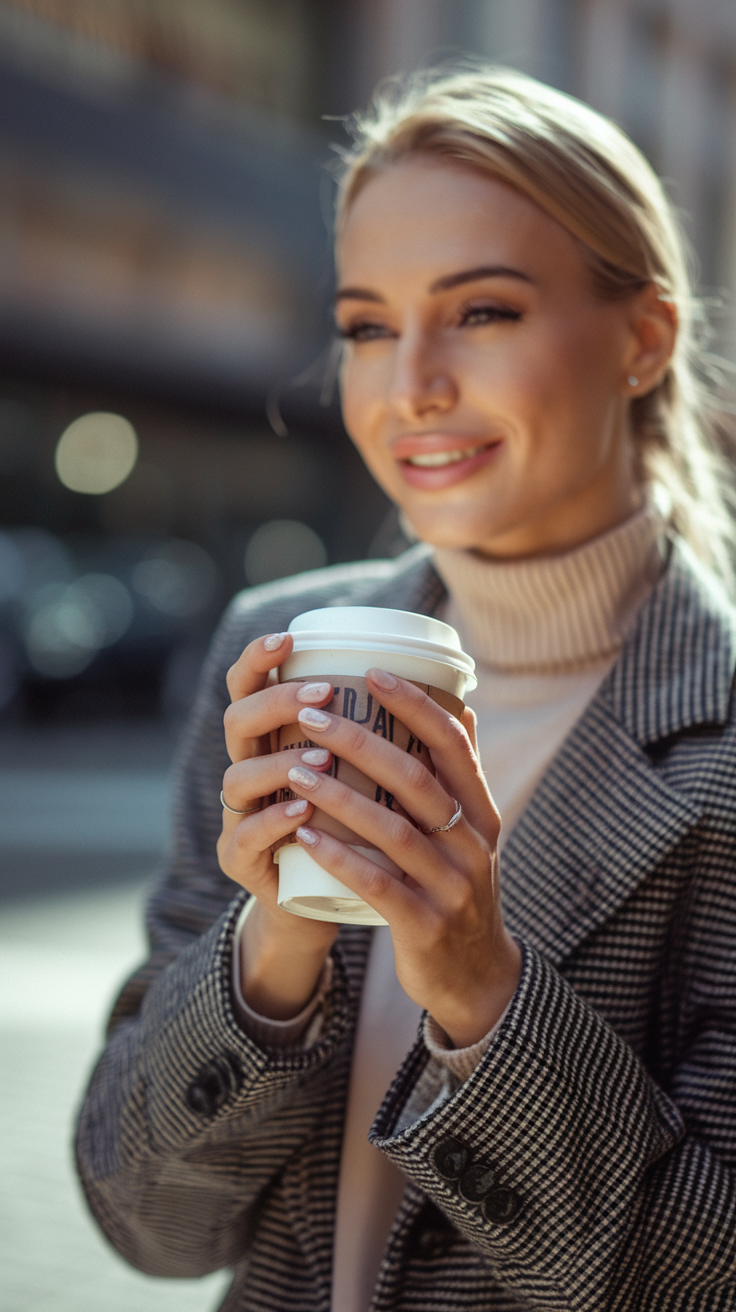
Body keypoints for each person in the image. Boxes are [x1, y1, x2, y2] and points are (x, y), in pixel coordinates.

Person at [75, 67, 736, 1311]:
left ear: (642, 339)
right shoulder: (276, 650)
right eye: (368, 324)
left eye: (480, 310)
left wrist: (483, 990)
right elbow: (144, 1223)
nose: (408, 384)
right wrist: (268, 955)